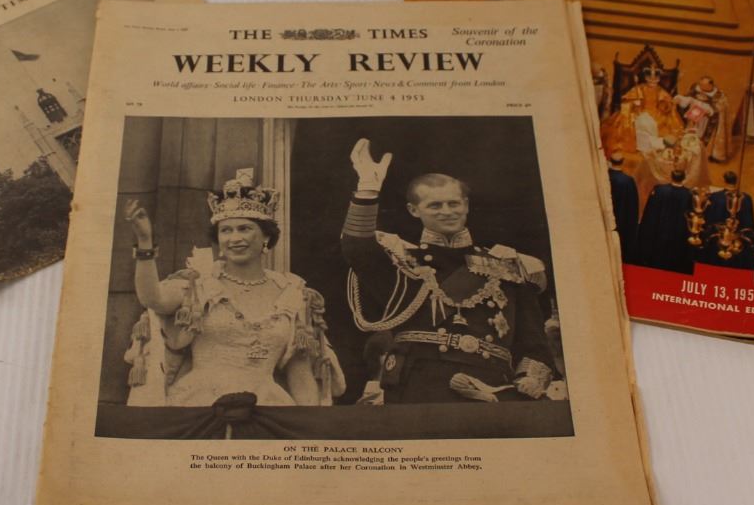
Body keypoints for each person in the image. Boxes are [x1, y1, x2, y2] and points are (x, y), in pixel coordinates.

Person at [340, 138, 558, 405]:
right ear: (413, 210)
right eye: (435, 205)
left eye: (454, 204)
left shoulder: (509, 266)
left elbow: (533, 343)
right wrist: (367, 189)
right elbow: (357, 249)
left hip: (490, 389)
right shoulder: (402, 262)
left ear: (466, 205)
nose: (447, 212)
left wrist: (529, 380)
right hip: (418, 387)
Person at [123, 168, 342, 407]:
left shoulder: (292, 295)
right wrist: (145, 242)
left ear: (266, 237)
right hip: (200, 405)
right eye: (226, 230)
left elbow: (300, 376)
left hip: (268, 407)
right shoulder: (200, 286)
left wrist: (309, 423)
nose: (235, 238)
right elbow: (152, 299)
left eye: (244, 229)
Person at [693, 171, 754, 277]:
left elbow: (710, 220)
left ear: (724, 180)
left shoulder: (715, 197)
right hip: (739, 240)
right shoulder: (747, 198)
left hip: (719, 239)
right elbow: (749, 222)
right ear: (736, 181)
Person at [635, 168, 697, 274]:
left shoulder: (659, 190)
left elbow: (650, 213)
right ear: (684, 178)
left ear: (671, 176)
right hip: (678, 235)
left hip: (660, 231)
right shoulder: (690, 195)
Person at [606, 151, 640, 265]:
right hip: (622, 221)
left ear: (610, 161)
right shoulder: (628, 181)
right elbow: (633, 207)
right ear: (623, 162)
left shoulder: (605, 178)